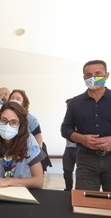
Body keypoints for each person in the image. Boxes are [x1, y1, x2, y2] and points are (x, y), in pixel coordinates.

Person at [61, 60, 111, 191]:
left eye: (97, 73)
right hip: (86, 158)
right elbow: (65, 129)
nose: (93, 77)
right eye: (89, 75)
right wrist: (81, 138)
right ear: (84, 78)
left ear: (106, 75)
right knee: (85, 202)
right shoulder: (75, 103)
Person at [8, 89, 52, 171]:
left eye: (18, 99)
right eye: (12, 98)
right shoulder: (5, 117)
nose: (14, 100)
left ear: (24, 103)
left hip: (26, 154)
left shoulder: (31, 119)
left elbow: (39, 138)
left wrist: (34, 156)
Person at [61, 98, 77, 191]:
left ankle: (79, 191)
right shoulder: (67, 119)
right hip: (69, 148)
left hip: (80, 148)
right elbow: (63, 131)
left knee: (81, 172)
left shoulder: (81, 117)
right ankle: (68, 189)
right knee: (67, 171)